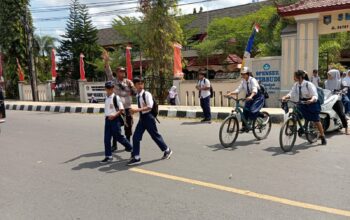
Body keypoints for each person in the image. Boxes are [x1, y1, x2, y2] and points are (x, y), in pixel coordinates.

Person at [128, 77, 173, 166]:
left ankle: (167, 150)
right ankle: (136, 157)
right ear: (135, 85)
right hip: (142, 118)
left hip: (148, 117)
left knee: (155, 136)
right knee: (136, 137)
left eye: (142, 83)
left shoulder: (146, 94)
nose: (140, 85)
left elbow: (150, 107)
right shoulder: (138, 95)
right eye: (138, 84)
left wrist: (136, 110)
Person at [103, 50, 136, 152]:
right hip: (117, 109)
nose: (122, 73)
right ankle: (114, 145)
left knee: (128, 126)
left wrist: (133, 90)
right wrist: (106, 61)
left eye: (123, 71)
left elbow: (134, 92)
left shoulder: (129, 82)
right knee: (115, 128)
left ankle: (128, 143)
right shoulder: (113, 81)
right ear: (116, 73)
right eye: (120, 71)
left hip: (127, 108)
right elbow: (108, 72)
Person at [282, 70, 327, 144]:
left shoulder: (308, 84)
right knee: (296, 113)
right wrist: (286, 97)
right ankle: (299, 128)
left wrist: (311, 100)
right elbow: (291, 93)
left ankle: (322, 136)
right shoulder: (296, 85)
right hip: (302, 102)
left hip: (312, 103)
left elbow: (315, 95)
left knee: (316, 120)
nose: (293, 78)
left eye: (295, 76)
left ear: (299, 77)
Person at [100, 81, 133, 164]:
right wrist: (108, 117)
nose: (109, 90)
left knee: (119, 137)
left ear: (113, 88)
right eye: (108, 88)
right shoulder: (106, 98)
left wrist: (114, 116)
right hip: (107, 120)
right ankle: (108, 156)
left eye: (111, 88)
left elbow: (121, 110)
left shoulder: (116, 97)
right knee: (106, 139)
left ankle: (131, 148)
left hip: (115, 120)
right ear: (105, 89)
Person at [225, 67, 265, 131]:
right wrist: (230, 93)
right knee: (245, 111)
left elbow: (255, 90)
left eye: (244, 74)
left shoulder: (252, 80)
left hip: (257, 97)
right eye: (242, 74)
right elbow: (238, 90)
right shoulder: (243, 81)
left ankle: (261, 115)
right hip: (249, 97)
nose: (243, 75)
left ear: (248, 74)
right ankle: (244, 126)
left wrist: (251, 96)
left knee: (252, 110)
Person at [325, 69, 350, 135]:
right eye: (328, 74)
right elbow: (324, 90)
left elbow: (346, 87)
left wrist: (342, 91)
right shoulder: (326, 82)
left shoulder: (340, 81)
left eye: (329, 75)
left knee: (341, 113)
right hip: (327, 99)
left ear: (334, 74)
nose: (328, 76)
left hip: (337, 99)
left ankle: (346, 128)